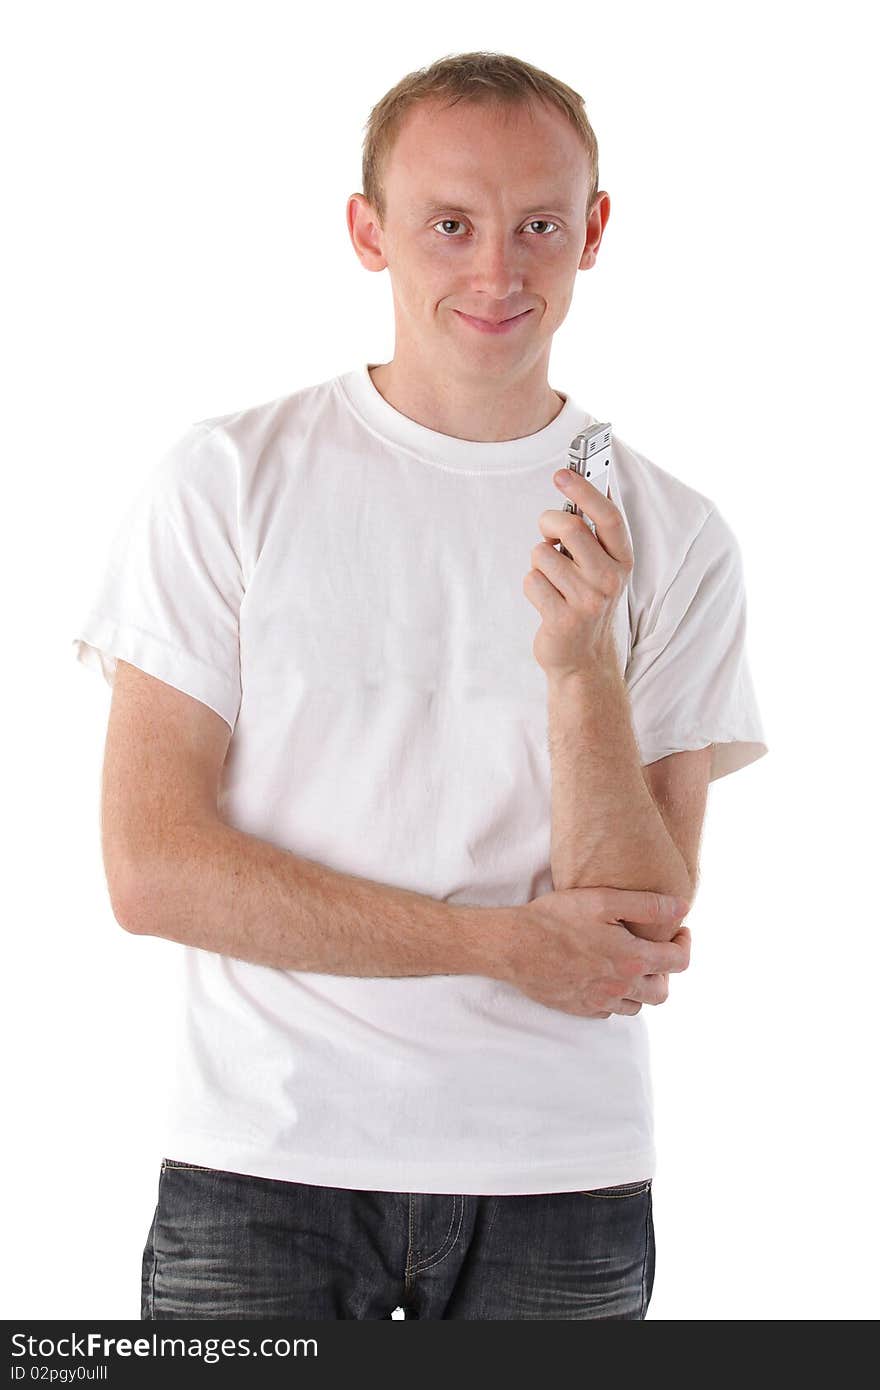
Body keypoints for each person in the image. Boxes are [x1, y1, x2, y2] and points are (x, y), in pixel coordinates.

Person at [71, 51, 768, 1321]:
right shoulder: (226, 478)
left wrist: (577, 667)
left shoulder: (675, 530)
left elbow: (636, 925)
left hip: (561, 1180)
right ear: (368, 231)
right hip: (265, 1167)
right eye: (449, 224)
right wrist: (495, 943)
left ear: (593, 231)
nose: (497, 272)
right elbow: (149, 867)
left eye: (538, 224)